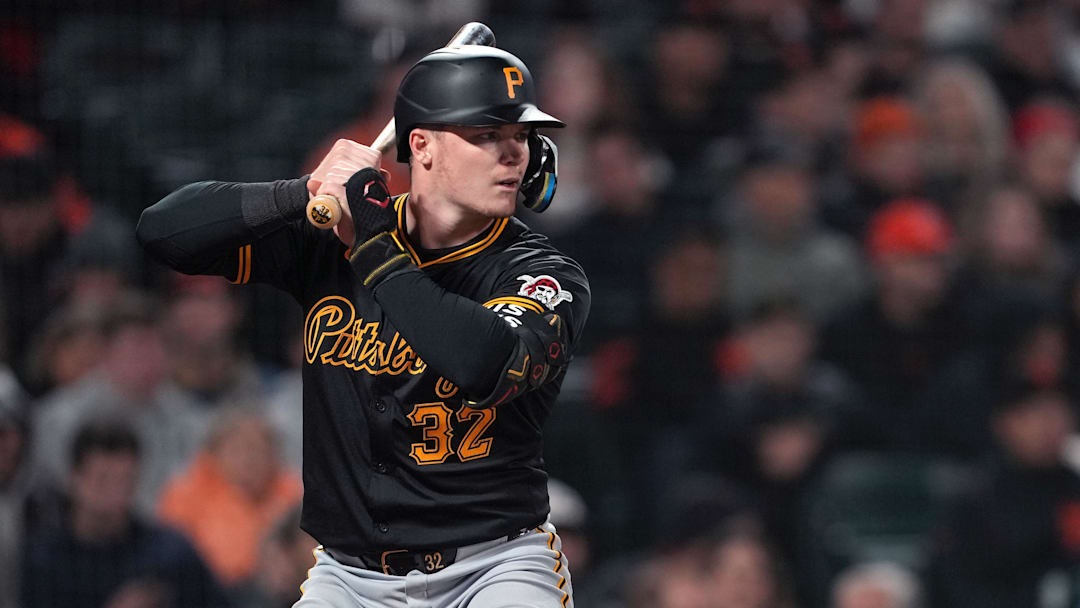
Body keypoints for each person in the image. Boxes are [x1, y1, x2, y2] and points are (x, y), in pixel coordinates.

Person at [138, 44, 590, 607]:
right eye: (485, 136)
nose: (512, 156)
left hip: (494, 566)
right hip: (349, 578)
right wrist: (295, 192)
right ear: (420, 145)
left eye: (520, 137)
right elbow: (163, 232)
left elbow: (484, 362)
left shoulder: (541, 272)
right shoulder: (334, 237)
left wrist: (376, 247)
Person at [21, 417, 229, 608]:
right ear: (73, 479)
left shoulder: (170, 553)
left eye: (125, 481)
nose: (115, 494)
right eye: (102, 480)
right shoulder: (45, 560)